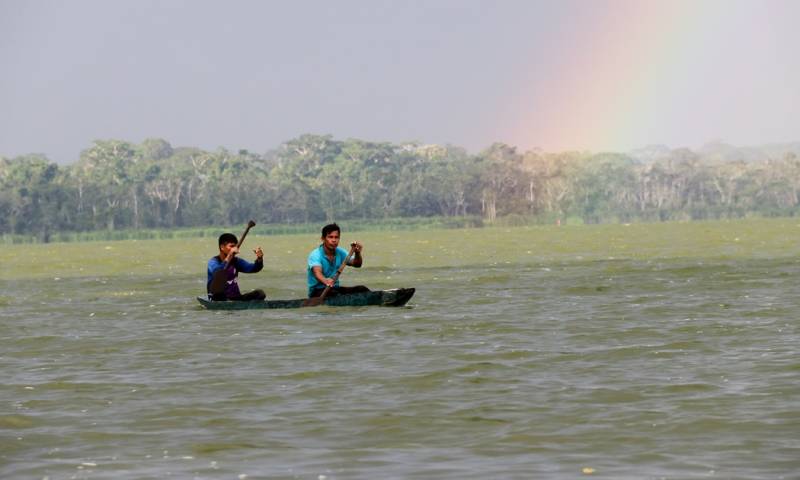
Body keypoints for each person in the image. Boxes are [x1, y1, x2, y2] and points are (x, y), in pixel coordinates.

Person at [307, 223, 370, 298]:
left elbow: (357, 264)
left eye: (336, 237)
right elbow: (317, 273)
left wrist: (357, 253)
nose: (334, 240)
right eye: (330, 237)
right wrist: (326, 280)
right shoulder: (315, 254)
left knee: (361, 289)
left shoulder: (340, 252)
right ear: (323, 239)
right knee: (335, 294)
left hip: (334, 289)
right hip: (317, 291)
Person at [207, 232, 266, 301]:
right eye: (231, 246)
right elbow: (218, 272)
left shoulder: (236, 261)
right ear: (222, 247)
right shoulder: (213, 262)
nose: (234, 249)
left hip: (235, 298)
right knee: (220, 295)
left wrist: (259, 259)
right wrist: (229, 256)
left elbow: (253, 268)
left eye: (235, 247)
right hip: (218, 298)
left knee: (260, 294)